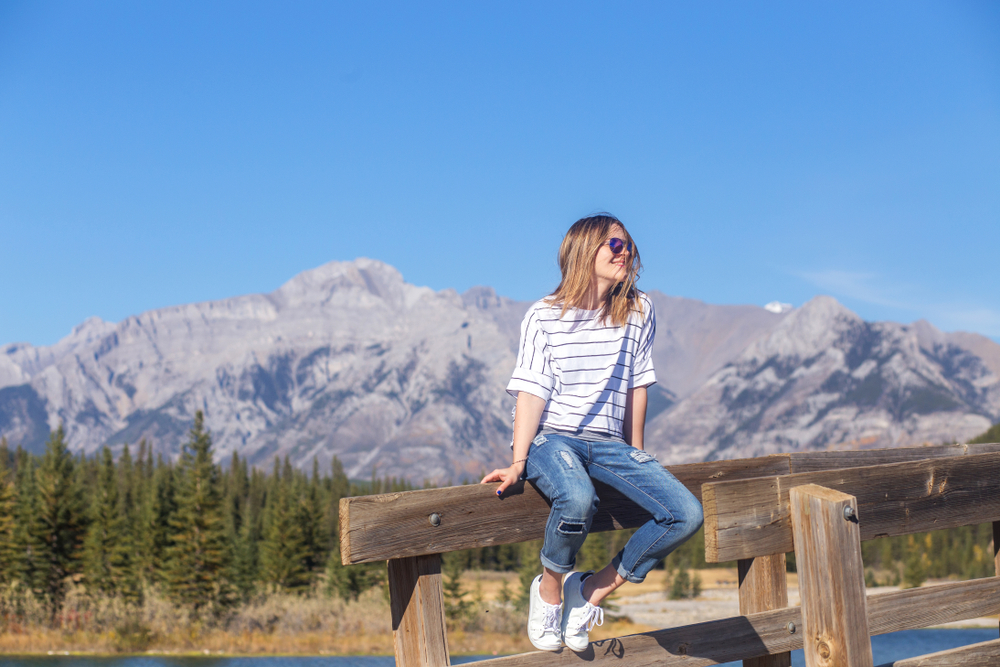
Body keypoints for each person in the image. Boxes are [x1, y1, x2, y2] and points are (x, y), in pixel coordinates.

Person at [480, 214, 704, 653]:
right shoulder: (543, 316)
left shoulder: (639, 310)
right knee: (579, 498)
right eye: (615, 246)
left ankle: (588, 592)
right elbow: (531, 392)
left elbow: (639, 384)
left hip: (609, 445)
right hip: (553, 439)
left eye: (629, 246)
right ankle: (548, 591)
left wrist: (637, 454)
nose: (626, 254)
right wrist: (519, 462)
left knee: (685, 514)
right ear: (585, 251)